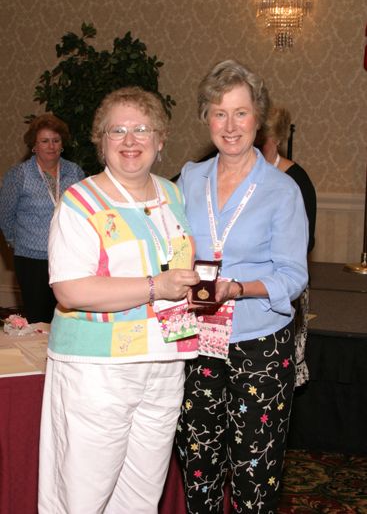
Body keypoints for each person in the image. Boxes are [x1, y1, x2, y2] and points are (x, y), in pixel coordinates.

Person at [38, 86, 200, 514]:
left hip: (165, 364)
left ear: (160, 139)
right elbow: (70, 289)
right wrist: (156, 287)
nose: (131, 141)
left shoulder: (173, 195)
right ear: (101, 141)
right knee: (83, 495)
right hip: (98, 372)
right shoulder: (79, 202)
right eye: (118, 131)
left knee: (142, 496)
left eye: (142, 129)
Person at [175, 60, 309, 513]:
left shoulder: (281, 190)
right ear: (205, 118)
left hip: (259, 345)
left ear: (258, 117)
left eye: (241, 113)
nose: (229, 126)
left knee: (256, 471)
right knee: (198, 464)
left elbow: (293, 277)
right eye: (218, 112)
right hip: (196, 342)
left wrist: (239, 289)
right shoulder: (189, 179)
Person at [0, 113, 84, 323]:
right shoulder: (20, 174)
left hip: (68, 258)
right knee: (38, 319)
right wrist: (16, 243)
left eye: (56, 141)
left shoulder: (74, 172)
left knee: (66, 319)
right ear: (34, 145)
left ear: (62, 144)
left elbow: (84, 212)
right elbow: (5, 215)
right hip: (32, 259)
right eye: (45, 141)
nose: (51, 146)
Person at [258, 106, 317, 387]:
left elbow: (305, 243)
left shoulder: (295, 180)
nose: (256, 147)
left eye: (263, 141)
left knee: (276, 381)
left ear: (277, 139)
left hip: (284, 291)